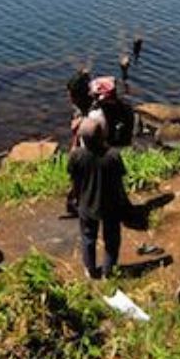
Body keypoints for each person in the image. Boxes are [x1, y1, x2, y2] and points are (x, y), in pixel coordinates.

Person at [67, 114, 128, 279]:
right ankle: (108, 271)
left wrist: (75, 198)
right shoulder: (113, 155)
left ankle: (90, 269)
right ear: (102, 136)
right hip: (111, 205)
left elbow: (74, 181)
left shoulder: (77, 156)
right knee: (111, 240)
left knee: (88, 238)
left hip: (86, 204)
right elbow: (119, 181)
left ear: (83, 139)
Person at [89, 76, 135, 148]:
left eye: (95, 96)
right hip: (123, 144)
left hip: (107, 146)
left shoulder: (98, 114)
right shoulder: (127, 109)